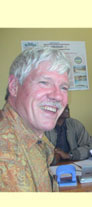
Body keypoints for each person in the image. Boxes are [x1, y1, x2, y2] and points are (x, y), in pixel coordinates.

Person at [0, 47, 71, 192]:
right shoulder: (6, 154)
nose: (57, 96)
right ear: (14, 86)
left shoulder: (33, 138)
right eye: (44, 83)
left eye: (63, 87)